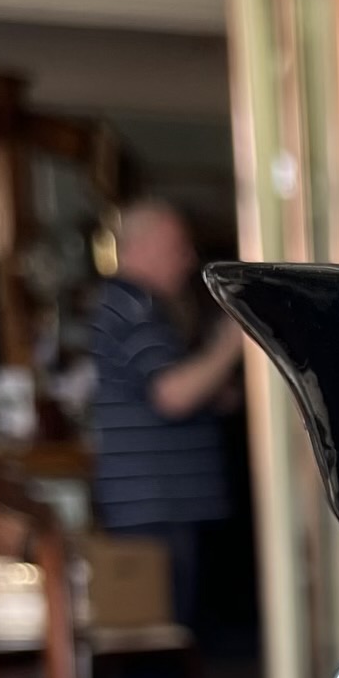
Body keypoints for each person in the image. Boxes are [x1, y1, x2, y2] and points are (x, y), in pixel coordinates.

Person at [88, 199, 242, 633]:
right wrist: (231, 343)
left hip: (160, 503)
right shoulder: (131, 306)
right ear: (143, 246)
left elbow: (185, 388)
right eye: (178, 247)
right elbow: (172, 394)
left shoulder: (140, 306)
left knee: (167, 642)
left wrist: (211, 381)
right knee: (157, 643)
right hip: (156, 505)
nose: (187, 259)